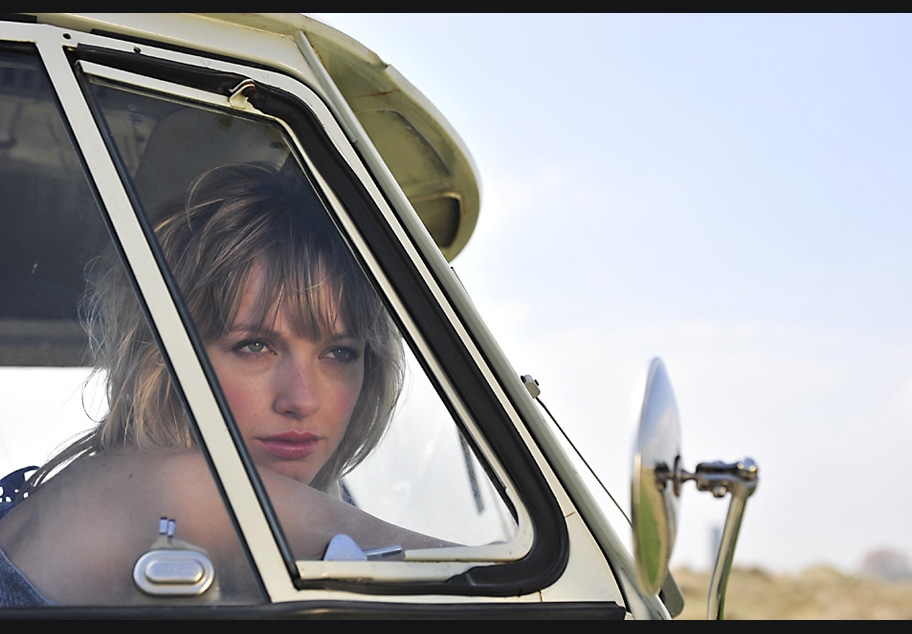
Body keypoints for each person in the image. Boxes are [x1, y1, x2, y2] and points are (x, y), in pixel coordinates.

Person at [0, 162, 447, 606]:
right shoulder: (161, 490)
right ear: (166, 357)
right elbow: (487, 575)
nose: (303, 400)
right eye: (254, 346)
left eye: (340, 353)